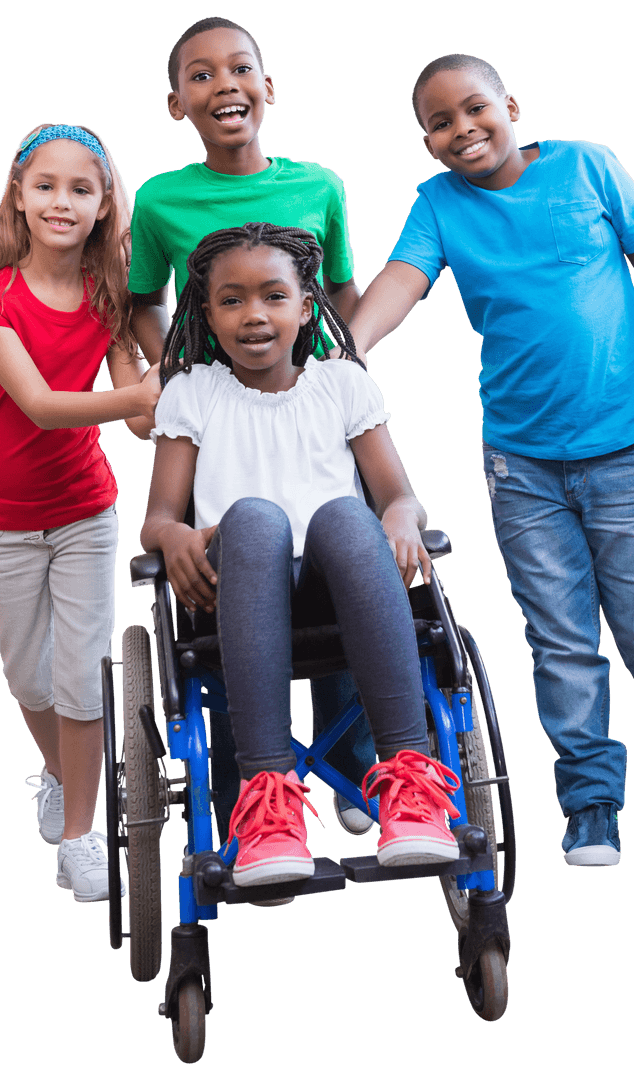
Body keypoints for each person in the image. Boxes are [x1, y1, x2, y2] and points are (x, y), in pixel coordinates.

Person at [346, 54, 634, 867]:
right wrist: (351, 344)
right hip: (521, 466)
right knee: (560, 638)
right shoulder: (439, 205)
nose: (462, 129)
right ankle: (591, 802)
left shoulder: (587, 165)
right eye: (440, 122)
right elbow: (402, 277)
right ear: (426, 144)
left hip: (625, 446)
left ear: (510, 105)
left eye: (475, 109)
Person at [140, 222, 462, 886]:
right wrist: (171, 536)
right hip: (233, 588)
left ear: (308, 305)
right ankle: (265, 803)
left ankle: (411, 787)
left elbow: (398, 494)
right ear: (206, 313)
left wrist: (401, 513)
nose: (254, 314)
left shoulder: (341, 385)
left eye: (273, 296)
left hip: (338, 587)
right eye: (231, 300)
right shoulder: (191, 394)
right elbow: (159, 519)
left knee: (347, 512)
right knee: (255, 518)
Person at [129, 16, 374, 836]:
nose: (223, 84)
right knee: (239, 555)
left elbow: (341, 294)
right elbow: (141, 302)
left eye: (240, 69)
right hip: (214, 417)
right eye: (201, 75)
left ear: (268, 89)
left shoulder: (322, 185)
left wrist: (351, 373)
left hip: (315, 398)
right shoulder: (162, 199)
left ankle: (350, 767)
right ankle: (245, 788)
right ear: (177, 104)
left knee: (341, 539)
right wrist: (177, 383)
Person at [0, 123, 162, 901]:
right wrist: (136, 396)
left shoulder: (110, 295)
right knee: (25, 673)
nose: (61, 201)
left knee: (81, 679)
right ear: (18, 193)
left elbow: (139, 417)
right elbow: (42, 406)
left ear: (105, 202)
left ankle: (81, 833)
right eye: (45, 185)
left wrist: (166, 388)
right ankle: (54, 771)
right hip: (6, 516)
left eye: (82, 188)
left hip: (85, 512)